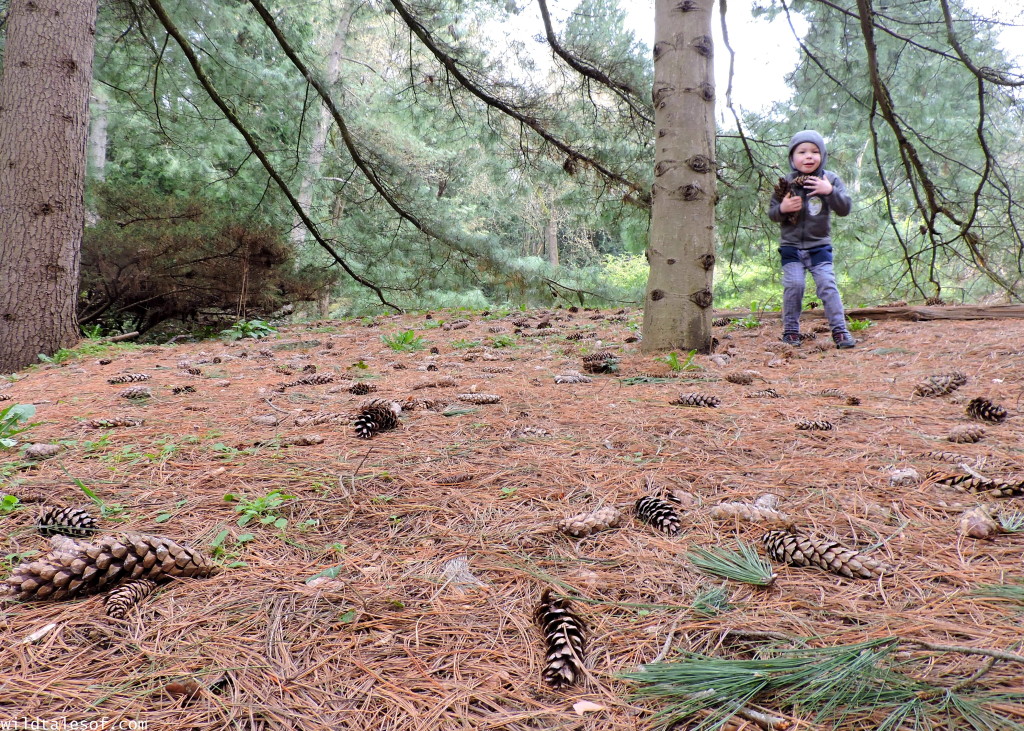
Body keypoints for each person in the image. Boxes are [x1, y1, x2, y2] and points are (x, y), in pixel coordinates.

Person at [768, 130, 856, 349]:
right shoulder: (785, 183)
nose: (809, 156)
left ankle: (840, 331)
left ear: (823, 156)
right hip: (791, 247)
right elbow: (772, 214)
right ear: (792, 158)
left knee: (827, 285)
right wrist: (783, 208)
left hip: (820, 246)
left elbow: (844, 208)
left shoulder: (829, 180)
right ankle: (790, 331)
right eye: (802, 152)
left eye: (815, 152)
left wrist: (829, 192)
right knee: (794, 285)